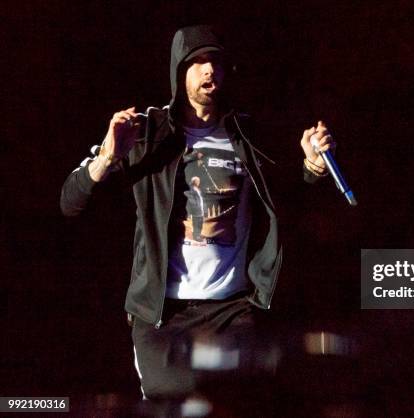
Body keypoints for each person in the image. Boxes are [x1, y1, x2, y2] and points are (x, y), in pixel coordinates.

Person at [60, 24, 335, 399]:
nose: (209, 71)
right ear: (180, 71)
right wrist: (108, 157)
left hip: (232, 311)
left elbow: (285, 201)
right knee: (176, 404)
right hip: (163, 315)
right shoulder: (145, 133)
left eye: (216, 63)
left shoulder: (246, 134)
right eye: (199, 62)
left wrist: (313, 166)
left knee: (241, 403)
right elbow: (70, 200)